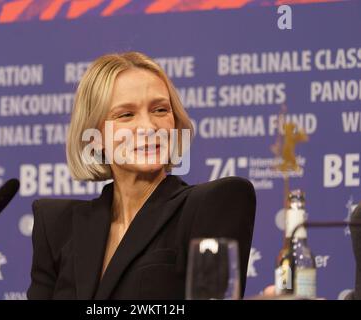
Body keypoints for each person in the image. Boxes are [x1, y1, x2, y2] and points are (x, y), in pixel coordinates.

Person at [27, 51, 256, 299]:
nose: (149, 128)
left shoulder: (212, 203)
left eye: (160, 110)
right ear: (95, 136)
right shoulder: (56, 226)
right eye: (126, 114)